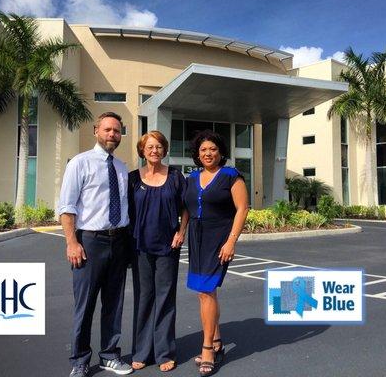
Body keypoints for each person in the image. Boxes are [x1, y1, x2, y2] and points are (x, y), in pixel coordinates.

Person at [58, 112, 133, 377]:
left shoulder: (122, 168)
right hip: (90, 241)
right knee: (85, 305)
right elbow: (66, 208)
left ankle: (110, 355)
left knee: (114, 303)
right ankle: (79, 360)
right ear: (95, 131)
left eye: (117, 130)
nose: (112, 134)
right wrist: (72, 243)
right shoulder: (80, 163)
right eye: (107, 129)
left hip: (119, 240)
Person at [184, 130, 249, 377]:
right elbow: (187, 210)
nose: (208, 153)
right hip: (196, 239)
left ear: (220, 152)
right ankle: (218, 340)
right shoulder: (191, 179)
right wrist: (181, 231)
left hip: (218, 238)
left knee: (205, 292)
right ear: (197, 155)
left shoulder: (231, 176)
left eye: (212, 149)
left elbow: (242, 209)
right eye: (203, 150)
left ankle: (208, 348)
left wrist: (231, 241)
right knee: (205, 293)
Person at [128, 131, 189, 373]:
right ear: (142, 151)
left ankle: (165, 351)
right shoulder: (133, 178)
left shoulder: (175, 177)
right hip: (140, 246)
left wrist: (181, 231)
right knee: (144, 298)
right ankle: (142, 351)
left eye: (159, 147)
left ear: (164, 150)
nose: (154, 150)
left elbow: (185, 208)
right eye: (149, 147)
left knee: (165, 298)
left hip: (168, 246)